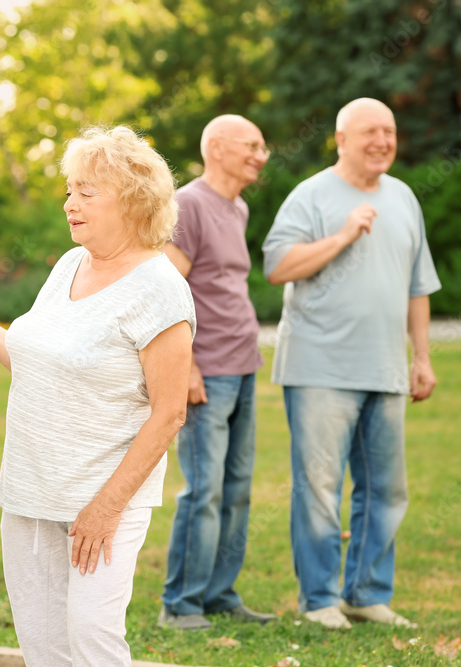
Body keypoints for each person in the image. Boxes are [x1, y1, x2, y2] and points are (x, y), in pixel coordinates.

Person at [0, 126, 195, 665]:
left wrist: (104, 508)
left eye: (86, 192)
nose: (70, 203)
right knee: (43, 646)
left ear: (134, 200)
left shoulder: (161, 290)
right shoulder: (72, 265)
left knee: (92, 640)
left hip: (103, 500)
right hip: (30, 490)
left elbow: (169, 415)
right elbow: (35, 362)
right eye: (69, 190)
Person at [262, 98, 440, 630]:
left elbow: (417, 286)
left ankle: (366, 593)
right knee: (318, 489)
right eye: (369, 132)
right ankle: (318, 599)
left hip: (384, 370)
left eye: (388, 131)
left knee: (385, 489)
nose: (382, 141)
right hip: (320, 369)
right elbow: (277, 266)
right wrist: (341, 236)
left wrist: (422, 357)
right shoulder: (311, 195)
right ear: (341, 139)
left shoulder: (404, 197)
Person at [159, 115, 277, 631]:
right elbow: (165, 293)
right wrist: (186, 368)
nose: (261, 154)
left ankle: (219, 594)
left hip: (244, 365)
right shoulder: (189, 205)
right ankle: (180, 604)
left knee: (237, 487)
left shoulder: (239, 206)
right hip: (207, 371)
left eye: (262, 146)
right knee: (203, 489)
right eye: (251, 146)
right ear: (218, 148)